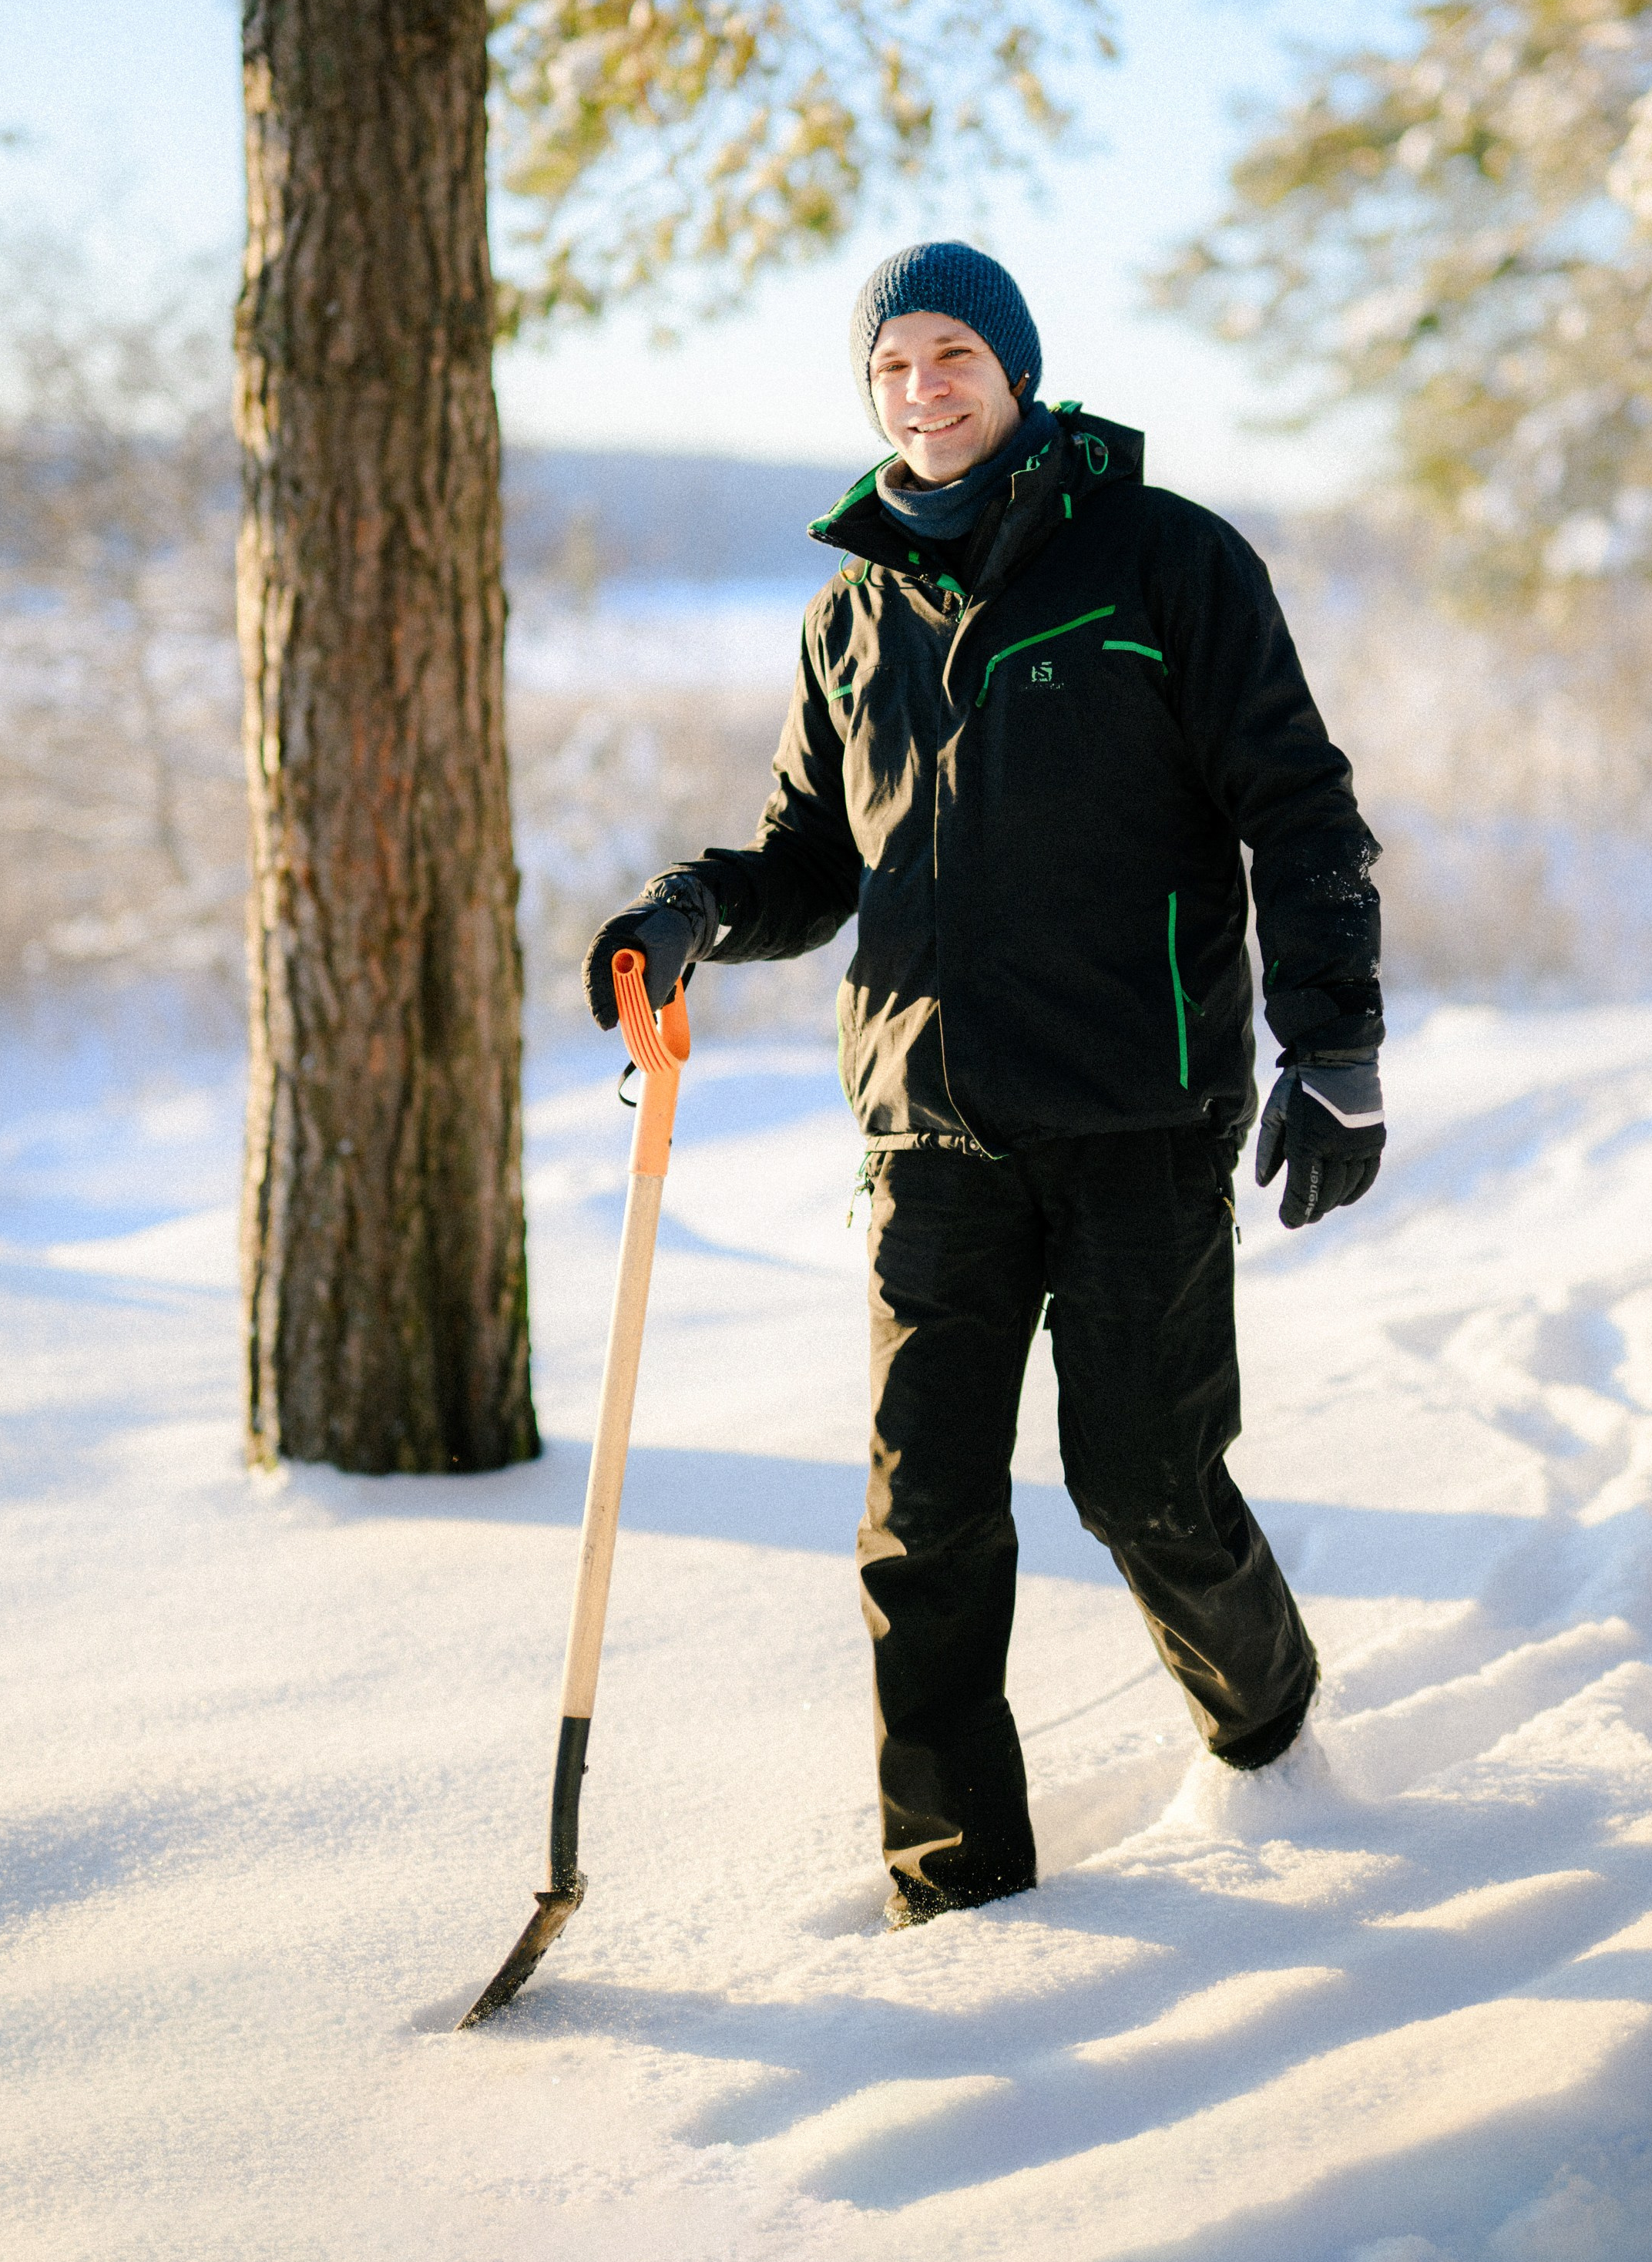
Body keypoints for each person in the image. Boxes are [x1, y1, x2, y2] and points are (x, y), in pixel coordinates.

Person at [583, 241, 1385, 1926]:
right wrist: (695, 908)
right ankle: (953, 1896)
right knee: (920, 1524)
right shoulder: (851, 614)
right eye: (891, 364)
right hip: (926, 1125)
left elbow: (1298, 808)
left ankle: (1270, 1741)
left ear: (1014, 368)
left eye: (950, 353)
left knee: (1145, 1484)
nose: (921, 389)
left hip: (1138, 1108)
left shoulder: (1163, 559)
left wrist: (1333, 1046)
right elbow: (817, 858)